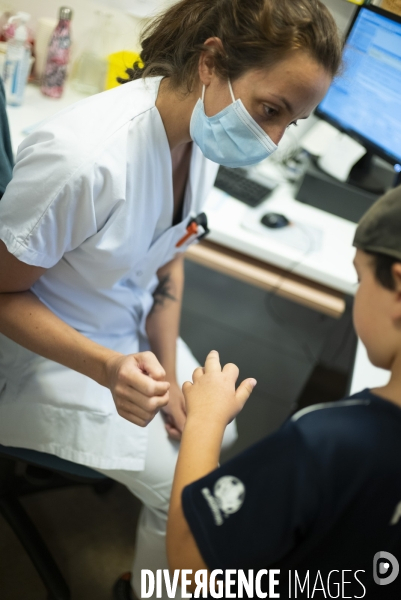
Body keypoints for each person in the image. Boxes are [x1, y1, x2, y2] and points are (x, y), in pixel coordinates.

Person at [0, 0, 341, 597]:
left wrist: (176, 375)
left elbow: (170, 257)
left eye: (292, 121)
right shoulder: (85, 159)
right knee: (189, 497)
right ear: (212, 61)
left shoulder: (199, 133)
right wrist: (108, 368)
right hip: (38, 357)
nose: (274, 140)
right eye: (270, 110)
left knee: (216, 435)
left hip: (122, 330)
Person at [167, 185, 401, 598]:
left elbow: (194, 571)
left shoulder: (327, 442)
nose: (356, 292)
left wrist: (205, 418)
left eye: (360, 277)